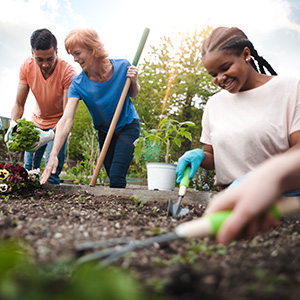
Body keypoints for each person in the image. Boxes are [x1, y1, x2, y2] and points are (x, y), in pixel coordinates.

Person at [176, 26, 300, 190]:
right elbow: (214, 158)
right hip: (228, 198)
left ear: (246, 55)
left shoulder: (290, 89)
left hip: (280, 196)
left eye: (225, 67)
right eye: (213, 74)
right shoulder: (214, 104)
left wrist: (260, 179)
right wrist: (199, 156)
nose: (220, 78)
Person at [41, 28, 140, 188]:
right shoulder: (78, 84)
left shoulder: (123, 67)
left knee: (116, 175)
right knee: (111, 173)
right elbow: (66, 119)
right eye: (72, 54)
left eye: (77, 53)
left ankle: (119, 211)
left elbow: (133, 94)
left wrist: (134, 80)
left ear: (94, 49)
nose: (74, 59)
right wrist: (53, 154)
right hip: (104, 131)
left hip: (128, 126)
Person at [5, 28, 76, 185]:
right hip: (37, 123)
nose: (45, 64)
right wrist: (14, 123)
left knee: (51, 172)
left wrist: (51, 135)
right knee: (28, 170)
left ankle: (54, 208)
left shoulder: (67, 72)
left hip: (58, 126)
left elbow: (67, 114)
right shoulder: (26, 67)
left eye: (50, 59)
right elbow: (18, 104)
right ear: (32, 53)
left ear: (57, 52)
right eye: (39, 59)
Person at [205, 149, 300, 244]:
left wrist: (278, 172)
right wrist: (203, 156)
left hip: (280, 192)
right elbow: (213, 156)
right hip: (233, 193)